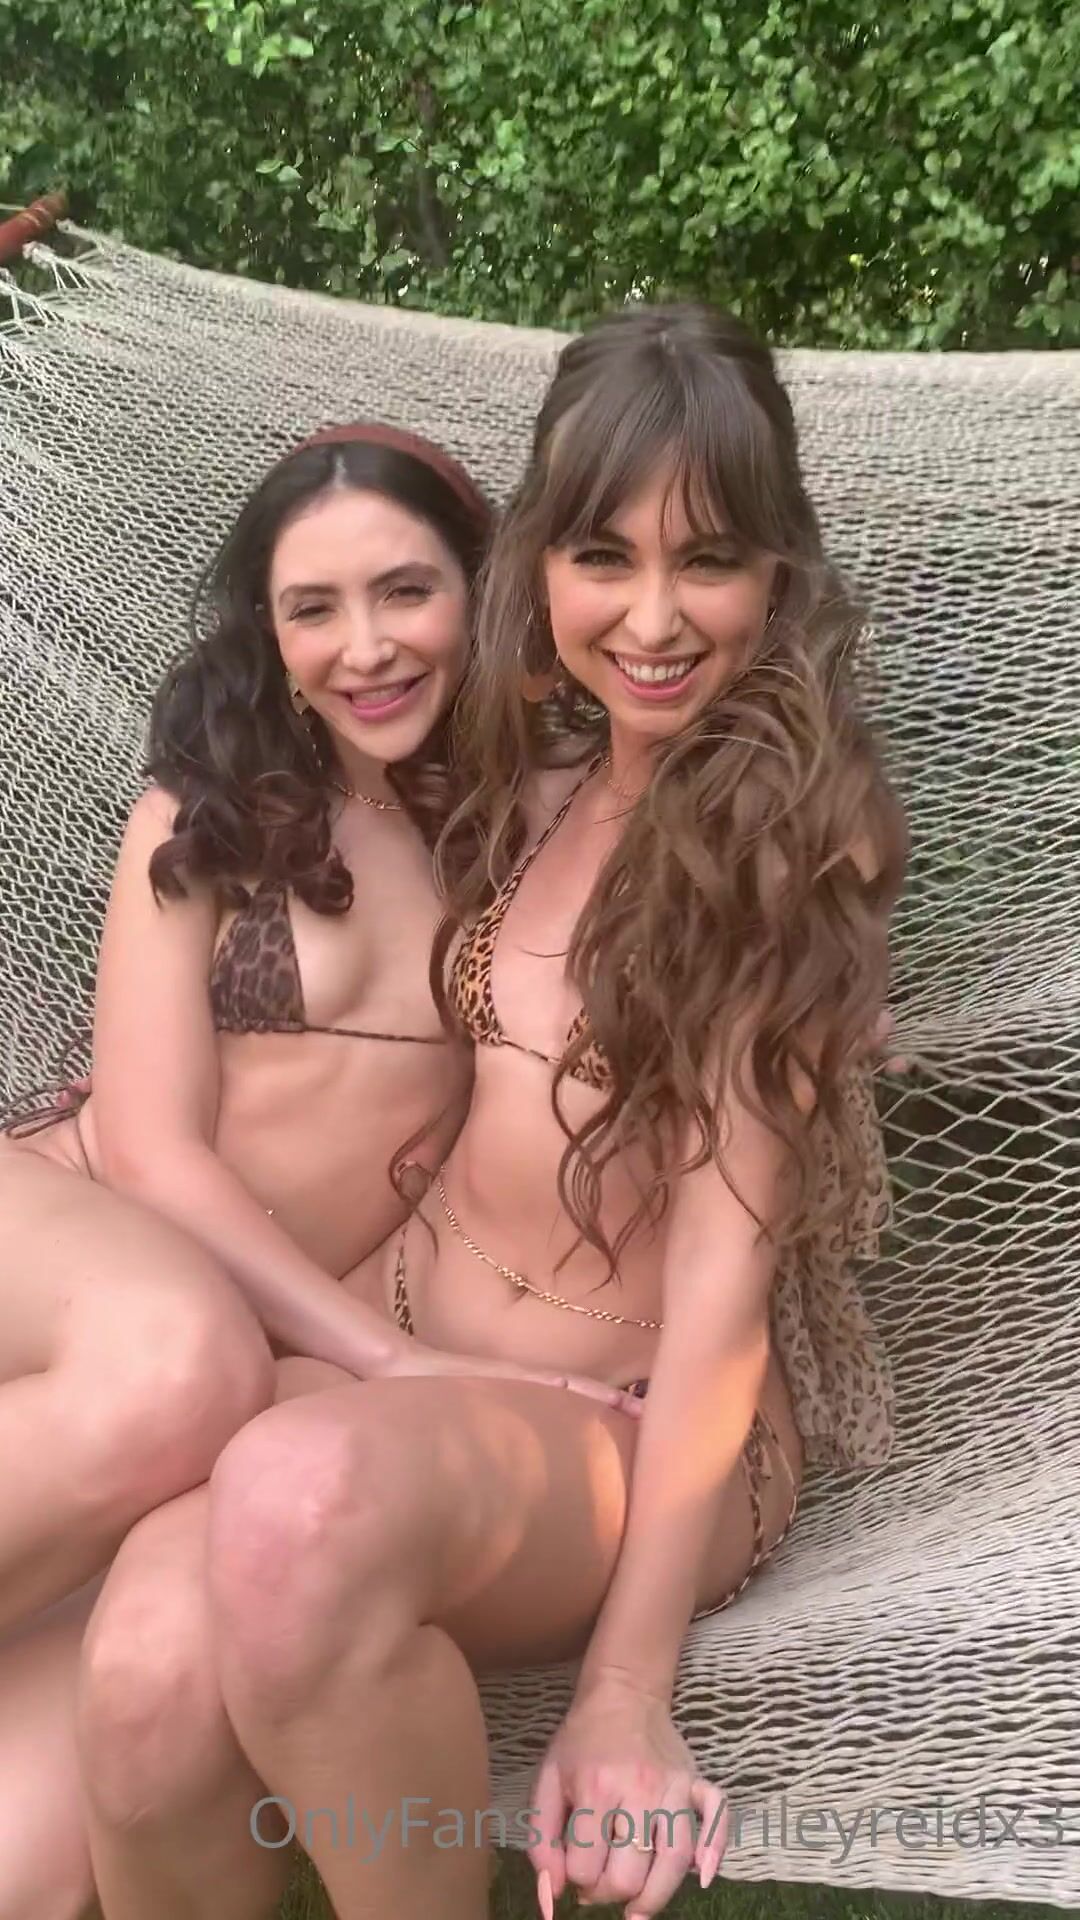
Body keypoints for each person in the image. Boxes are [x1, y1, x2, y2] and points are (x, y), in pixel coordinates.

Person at [75, 306, 907, 1920]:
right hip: (399, 1342)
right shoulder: (536, 787)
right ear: (537, 565)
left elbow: (723, 1283)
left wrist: (625, 1691)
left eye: (707, 562)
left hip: (623, 1423)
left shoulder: (783, 841)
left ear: (776, 576)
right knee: (147, 1678)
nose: (651, 618)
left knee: (291, 1511)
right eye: (603, 557)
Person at [0, 421, 639, 1920]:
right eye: (314, 610)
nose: (366, 648)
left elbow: (737, 868)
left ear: (482, 593)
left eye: (405, 591)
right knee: (176, 1363)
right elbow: (149, 1146)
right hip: (73, 1232)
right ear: (271, 634)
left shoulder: (546, 818)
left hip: (229, 1378)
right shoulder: (211, 808)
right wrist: (390, 1360)